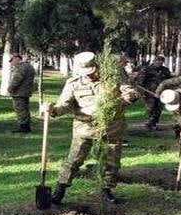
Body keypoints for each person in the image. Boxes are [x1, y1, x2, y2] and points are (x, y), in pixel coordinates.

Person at [43, 51, 139, 205]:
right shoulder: (73, 83)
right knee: (73, 160)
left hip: (111, 127)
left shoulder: (113, 79)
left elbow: (131, 93)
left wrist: (128, 97)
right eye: (85, 72)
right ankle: (59, 190)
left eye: (92, 71)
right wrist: (53, 109)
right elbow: (64, 105)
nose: (88, 75)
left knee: (111, 162)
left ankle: (106, 190)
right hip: (84, 128)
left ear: (98, 66)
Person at [134, 55, 171, 131]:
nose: (159, 63)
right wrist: (141, 92)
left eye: (161, 62)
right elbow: (140, 81)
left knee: (158, 109)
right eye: (158, 61)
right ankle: (148, 124)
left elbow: (169, 81)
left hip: (161, 94)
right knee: (150, 108)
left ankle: (154, 124)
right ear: (154, 61)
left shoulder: (165, 70)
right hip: (149, 93)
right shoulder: (146, 69)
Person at [7, 53, 36, 133]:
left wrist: (10, 88)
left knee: (20, 110)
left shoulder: (21, 67)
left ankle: (23, 128)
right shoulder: (29, 66)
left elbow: (17, 79)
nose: (11, 62)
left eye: (12, 60)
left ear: (17, 58)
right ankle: (27, 126)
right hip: (26, 91)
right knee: (25, 110)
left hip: (19, 92)